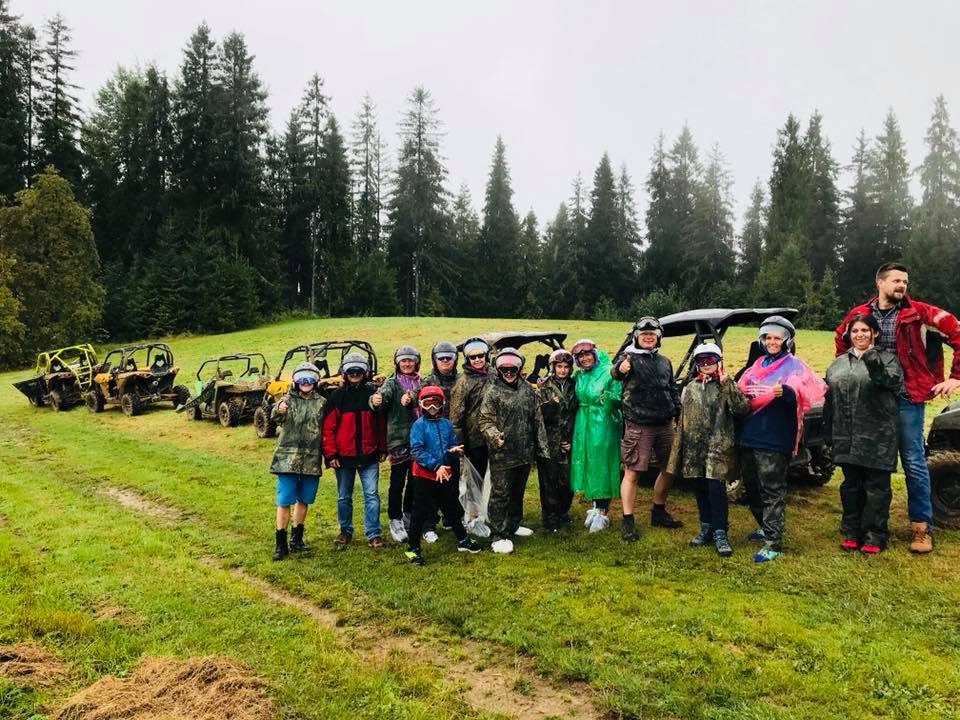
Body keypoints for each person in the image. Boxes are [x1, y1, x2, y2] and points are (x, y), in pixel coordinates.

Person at [835, 262, 960, 554]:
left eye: (905, 281)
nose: (902, 285)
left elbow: (958, 333)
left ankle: (921, 528)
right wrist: (846, 374)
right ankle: (866, 526)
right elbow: (841, 340)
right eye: (896, 280)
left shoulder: (922, 314)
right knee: (866, 461)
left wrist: (955, 377)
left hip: (906, 398)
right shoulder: (858, 315)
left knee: (914, 462)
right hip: (868, 399)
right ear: (880, 282)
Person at [737, 315, 827, 563]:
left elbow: (803, 391)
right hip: (750, 436)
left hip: (774, 439)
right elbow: (742, 390)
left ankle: (773, 542)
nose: (772, 341)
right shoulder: (755, 366)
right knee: (752, 488)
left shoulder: (794, 366)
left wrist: (785, 391)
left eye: (777, 338)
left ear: (787, 340)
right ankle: (764, 526)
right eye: (768, 337)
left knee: (771, 491)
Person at [825, 314, 904, 554]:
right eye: (855, 331)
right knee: (850, 485)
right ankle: (851, 530)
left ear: (875, 333)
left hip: (878, 436)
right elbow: (829, 397)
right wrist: (828, 431)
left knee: (876, 487)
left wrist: (872, 359)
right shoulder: (838, 363)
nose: (860, 335)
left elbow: (890, 382)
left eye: (865, 330)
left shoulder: (888, 359)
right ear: (849, 334)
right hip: (846, 434)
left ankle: (874, 534)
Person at [667, 343, 749, 557]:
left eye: (710, 360)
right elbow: (683, 420)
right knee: (700, 488)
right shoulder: (691, 387)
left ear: (719, 362)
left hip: (719, 448)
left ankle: (721, 532)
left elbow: (741, 409)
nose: (706, 364)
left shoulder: (726, 385)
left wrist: (727, 384)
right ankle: (706, 528)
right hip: (694, 449)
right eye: (702, 361)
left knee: (716, 490)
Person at [611, 317, 683, 540]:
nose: (648, 337)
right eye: (644, 334)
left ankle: (658, 511)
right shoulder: (628, 358)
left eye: (652, 334)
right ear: (637, 337)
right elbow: (616, 372)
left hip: (664, 423)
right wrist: (620, 368)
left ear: (658, 337)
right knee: (633, 472)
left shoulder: (664, 361)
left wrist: (678, 411)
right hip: (638, 424)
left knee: (669, 469)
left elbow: (671, 387)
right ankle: (628, 520)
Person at [477, 347, 547, 554]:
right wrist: (494, 436)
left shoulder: (527, 389)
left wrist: (541, 448)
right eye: (504, 369)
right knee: (500, 493)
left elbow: (537, 419)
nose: (508, 373)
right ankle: (498, 534)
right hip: (502, 453)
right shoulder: (492, 392)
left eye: (512, 369)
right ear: (498, 370)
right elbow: (485, 420)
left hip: (524, 452)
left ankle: (513, 524)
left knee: (518, 491)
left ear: (519, 368)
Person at [405, 386, 483, 565]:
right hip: (424, 475)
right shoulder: (418, 425)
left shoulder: (446, 424)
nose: (432, 408)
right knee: (420, 512)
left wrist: (453, 450)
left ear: (442, 404)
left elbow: (450, 443)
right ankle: (413, 548)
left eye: (436, 404)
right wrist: (436, 465)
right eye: (428, 404)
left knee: (451, 507)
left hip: (444, 474)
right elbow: (417, 450)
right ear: (421, 405)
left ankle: (463, 540)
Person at [322, 353, 387, 548]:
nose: (355, 373)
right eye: (351, 370)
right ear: (344, 372)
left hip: (369, 455)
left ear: (365, 372)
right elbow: (328, 428)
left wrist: (383, 447)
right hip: (343, 457)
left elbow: (381, 423)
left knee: (372, 495)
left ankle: (373, 533)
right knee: (344, 496)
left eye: (359, 370)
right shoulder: (336, 397)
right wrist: (330, 454)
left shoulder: (374, 394)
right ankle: (345, 530)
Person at [269, 361, 326, 561]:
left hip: (311, 460)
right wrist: (279, 409)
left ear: (316, 381)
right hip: (287, 459)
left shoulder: (321, 402)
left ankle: (297, 539)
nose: (306, 382)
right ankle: (281, 543)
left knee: (305, 499)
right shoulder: (287, 400)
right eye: (302, 377)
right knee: (284, 501)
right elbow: (275, 415)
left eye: (310, 378)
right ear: (295, 380)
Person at [568, 339, 622, 533]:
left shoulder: (609, 371)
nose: (585, 358)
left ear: (595, 354)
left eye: (587, 354)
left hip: (603, 424)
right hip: (584, 422)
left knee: (601, 464)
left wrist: (607, 399)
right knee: (589, 462)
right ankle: (594, 505)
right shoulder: (580, 375)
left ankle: (602, 511)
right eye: (580, 356)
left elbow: (618, 397)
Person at [371, 345, 422, 543]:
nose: (407, 364)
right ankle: (395, 519)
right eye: (404, 360)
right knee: (397, 482)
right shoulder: (392, 383)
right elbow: (380, 402)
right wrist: (374, 400)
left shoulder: (422, 381)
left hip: (419, 440)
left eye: (410, 360)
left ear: (416, 362)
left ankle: (408, 514)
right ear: (397, 363)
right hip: (399, 440)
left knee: (415, 481)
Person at [420, 341, 464, 532]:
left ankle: (451, 518)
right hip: (431, 439)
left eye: (449, 358)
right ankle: (429, 523)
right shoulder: (427, 380)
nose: (445, 361)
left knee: (453, 483)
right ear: (435, 360)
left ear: (455, 360)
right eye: (441, 358)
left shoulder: (462, 379)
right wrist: (406, 399)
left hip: (454, 438)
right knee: (431, 482)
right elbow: (415, 397)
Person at [535, 349, 578, 531]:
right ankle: (550, 517)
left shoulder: (575, 385)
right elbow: (539, 418)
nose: (563, 370)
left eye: (566, 367)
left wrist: (570, 440)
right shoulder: (543, 387)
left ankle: (563, 512)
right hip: (549, 442)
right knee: (549, 482)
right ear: (552, 367)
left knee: (567, 481)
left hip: (571, 439)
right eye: (559, 366)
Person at [450, 336, 493, 482]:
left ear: (486, 356)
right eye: (472, 357)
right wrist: (461, 444)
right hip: (475, 439)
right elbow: (456, 417)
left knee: (495, 479)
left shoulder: (495, 375)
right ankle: (475, 505)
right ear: (467, 359)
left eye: (480, 356)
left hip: (496, 436)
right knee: (476, 480)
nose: (477, 360)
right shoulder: (463, 381)